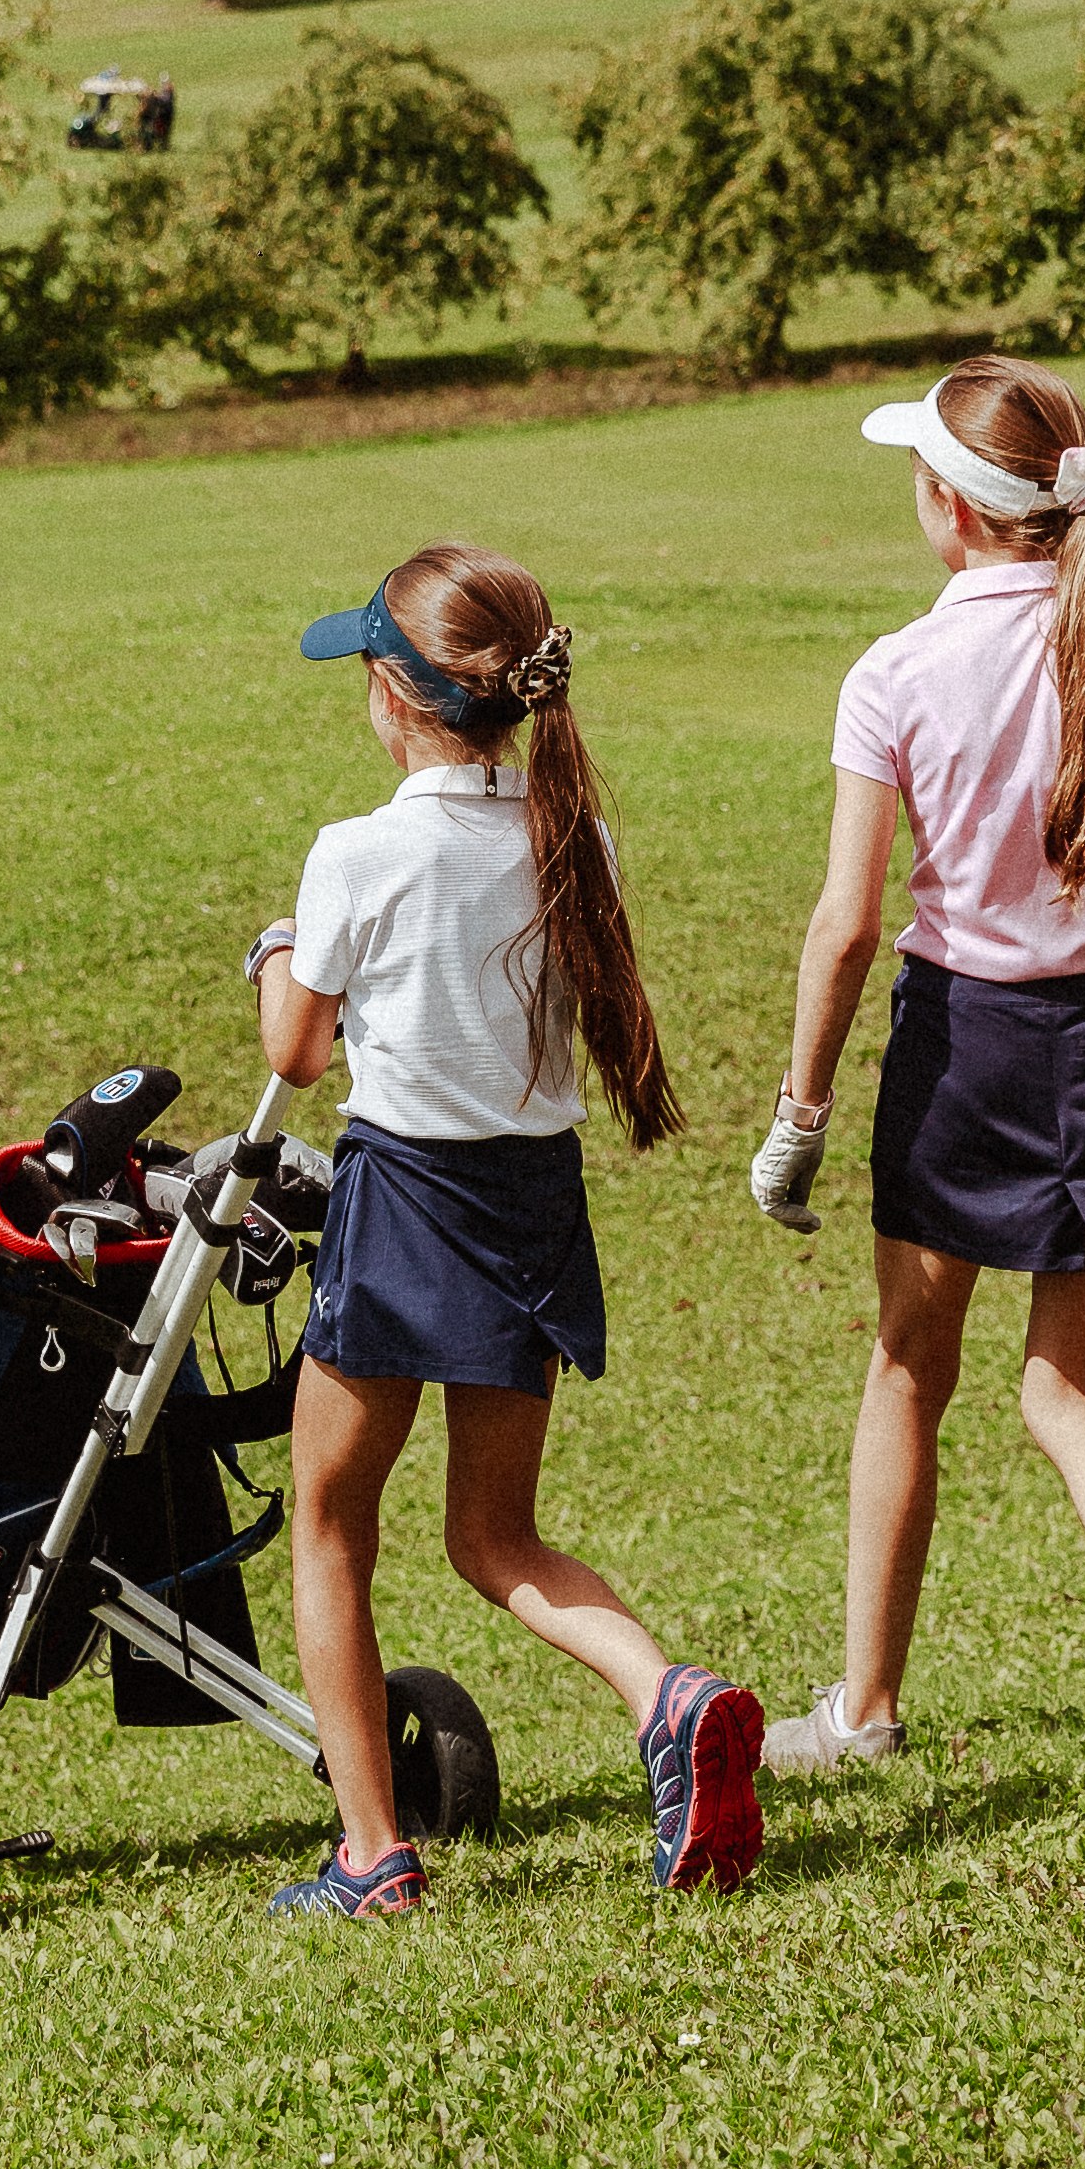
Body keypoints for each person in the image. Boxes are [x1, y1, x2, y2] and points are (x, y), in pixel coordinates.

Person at [744, 358, 1085, 1779]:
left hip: (962, 1052)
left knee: (908, 1372)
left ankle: (863, 1712)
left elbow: (849, 922)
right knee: (1068, 1392)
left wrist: (799, 1115)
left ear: (950, 509)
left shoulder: (896, 672)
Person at [249, 542, 766, 1914]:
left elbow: (297, 1051)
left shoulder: (356, 851)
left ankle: (370, 1857)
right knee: (495, 1535)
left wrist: (276, 948)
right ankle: (669, 1690)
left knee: (331, 1526)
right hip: (534, 1203)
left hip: (406, 1201)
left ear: (395, 696)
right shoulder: (572, 832)